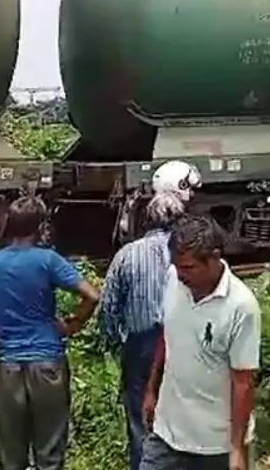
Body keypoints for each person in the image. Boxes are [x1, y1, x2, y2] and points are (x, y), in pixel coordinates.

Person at [0, 195, 100, 470]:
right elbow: (92, 296)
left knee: (11, 457)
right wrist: (72, 324)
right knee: (50, 454)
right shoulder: (48, 260)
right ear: (40, 227)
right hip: (48, 363)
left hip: (8, 365)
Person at [142, 214, 261, 470]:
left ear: (214, 258)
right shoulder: (174, 280)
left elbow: (243, 382)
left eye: (188, 267)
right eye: (176, 265)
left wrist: (237, 448)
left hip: (215, 444)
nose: (180, 273)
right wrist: (152, 389)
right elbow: (168, 335)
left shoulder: (241, 306)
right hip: (167, 433)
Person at [99, 191, 188, 470]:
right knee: (181, 411)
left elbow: (109, 306)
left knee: (139, 416)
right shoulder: (188, 254)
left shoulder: (127, 254)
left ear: (147, 219)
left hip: (140, 344)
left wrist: (114, 343)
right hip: (182, 341)